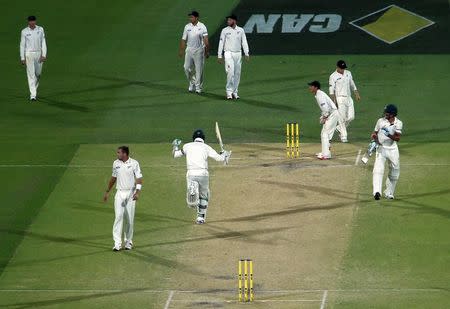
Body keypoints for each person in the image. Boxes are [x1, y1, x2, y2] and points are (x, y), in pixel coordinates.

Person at [172, 129, 231, 224]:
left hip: (191, 174)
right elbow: (219, 159)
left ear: (193, 138)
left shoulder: (187, 146)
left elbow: (175, 154)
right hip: (203, 174)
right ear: (203, 138)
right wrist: (224, 155)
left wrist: (175, 145)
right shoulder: (206, 147)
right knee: (204, 196)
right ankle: (200, 217)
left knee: (193, 196)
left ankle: (192, 196)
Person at [103, 146, 143, 251]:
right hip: (119, 193)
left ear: (124, 153)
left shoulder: (134, 163)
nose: (117, 154)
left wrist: (137, 192)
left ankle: (128, 242)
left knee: (129, 219)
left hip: (130, 193)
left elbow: (139, 178)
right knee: (118, 217)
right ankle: (117, 243)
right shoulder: (116, 163)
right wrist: (107, 191)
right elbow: (113, 178)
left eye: (119, 153)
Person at [371, 105, 403, 200]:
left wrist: (388, 134)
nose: (385, 114)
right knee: (378, 169)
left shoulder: (398, 123)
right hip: (381, 148)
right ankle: (377, 192)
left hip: (392, 149)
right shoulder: (380, 121)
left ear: (392, 114)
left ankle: (389, 192)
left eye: (387, 113)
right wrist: (374, 139)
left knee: (395, 171)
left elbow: (397, 138)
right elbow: (374, 133)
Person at [217, 14, 249, 100]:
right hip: (228, 53)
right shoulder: (224, 30)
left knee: (237, 74)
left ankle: (235, 92)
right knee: (230, 72)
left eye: (229, 20)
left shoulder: (241, 30)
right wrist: (219, 55)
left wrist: (246, 53)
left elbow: (244, 42)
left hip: (238, 53)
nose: (228, 21)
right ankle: (229, 92)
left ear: (234, 21)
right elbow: (221, 43)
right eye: (228, 20)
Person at [328, 60, 361, 142]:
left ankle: (339, 128)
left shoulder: (348, 73)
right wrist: (333, 103)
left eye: (344, 68)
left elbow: (352, 84)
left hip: (349, 98)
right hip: (340, 99)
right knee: (342, 118)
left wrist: (356, 94)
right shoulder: (333, 76)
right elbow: (331, 91)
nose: (343, 70)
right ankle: (343, 136)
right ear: (337, 67)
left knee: (351, 117)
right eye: (341, 68)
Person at [308, 81, 340, 160]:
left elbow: (326, 109)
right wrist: (323, 116)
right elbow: (325, 109)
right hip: (332, 113)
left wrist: (324, 117)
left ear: (316, 87)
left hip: (332, 114)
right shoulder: (319, 94)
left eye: (311, 86)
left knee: (325, 133)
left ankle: (326, 155)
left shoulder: (319, 95)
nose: (309, 88)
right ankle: (324, 152)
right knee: (324, 133)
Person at [179, 11, 209, 94]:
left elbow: (206, 39)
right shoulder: (187, 26)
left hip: (199, 50)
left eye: (192, 17)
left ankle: (198, 87)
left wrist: (207, 51)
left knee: (199, 70)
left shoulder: (202, 26)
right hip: (189, 50)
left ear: (196, 18)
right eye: (190, 17)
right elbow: (183, 39)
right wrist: (181, 50)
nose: (190, 19)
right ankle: (192, 82)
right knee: (186, 68)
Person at [20, 16, 47, 101]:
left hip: (39, 53)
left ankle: (34, 89)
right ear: (28, 22)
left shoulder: (40, 29)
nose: (32, 23)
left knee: (38, 74)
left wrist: (44, 54)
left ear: (35, 21)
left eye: (33, 21)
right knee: (31, 75)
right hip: (29, 54)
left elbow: (43, 42)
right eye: (30, 21)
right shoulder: (24, 31)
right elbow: (22, 45)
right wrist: (22, 57)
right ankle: (33, 95)